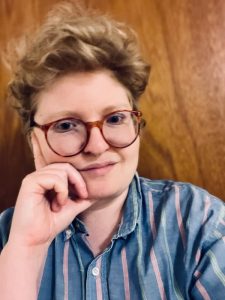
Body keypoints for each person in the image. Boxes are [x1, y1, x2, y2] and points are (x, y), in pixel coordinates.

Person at [0, 2, 225, 300]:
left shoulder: (200, 221)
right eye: (67, 125)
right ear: (34, 141)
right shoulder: (8, 237)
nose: (96, 146)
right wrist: (25, 251)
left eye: (115, 118)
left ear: (135, 125)